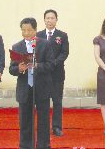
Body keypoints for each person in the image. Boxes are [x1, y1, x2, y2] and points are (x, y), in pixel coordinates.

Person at [9, 17, 55, 149]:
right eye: (23, 30)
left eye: (29, 30)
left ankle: (43, 145)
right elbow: (12, 69)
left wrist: (37, 66)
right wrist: (19, 68)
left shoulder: (45, 44)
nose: (26, 33)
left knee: (43, 120)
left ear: (35, 30)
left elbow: (51, 65)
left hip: (41, 87)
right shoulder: (17, 46)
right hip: (25, 88)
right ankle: (25, 145)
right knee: (25, 120)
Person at [36, 9, 69, 137]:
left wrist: (53, 63)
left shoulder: (62, 35)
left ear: (56, 20)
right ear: (44, 20)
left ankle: (57, 127)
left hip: (57, 73)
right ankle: (43, 126)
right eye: (47, 18)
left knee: (57, 101)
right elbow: (35, 53)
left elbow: (64, 53)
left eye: (52, 18)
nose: (50, 20)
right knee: (42, 101)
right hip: (42, 74)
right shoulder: (38, 35)